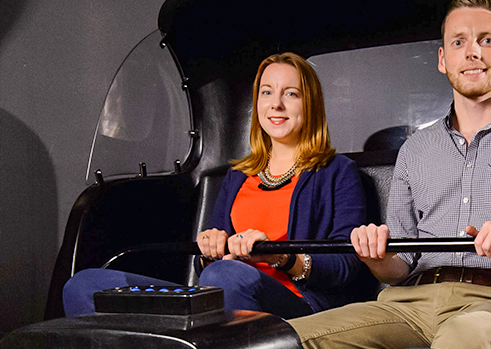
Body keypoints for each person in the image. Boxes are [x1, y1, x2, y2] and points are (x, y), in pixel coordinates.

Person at [289, 0, 491, 349]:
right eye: (458, 42)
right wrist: (376, 258)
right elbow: (400, 268)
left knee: (457, 348)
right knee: (284, 345)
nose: (471, 52)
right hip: (408, 302)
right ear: (443, 60)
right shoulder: (415, 149)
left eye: (485, 40)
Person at [62, 52, 369, 318]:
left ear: (310, 103)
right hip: (218, 295)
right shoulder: (238, 175)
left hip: (296, 305)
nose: (276, 104)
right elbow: (210, 262)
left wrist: (278, 256)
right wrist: (210, 246)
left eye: (291, 93)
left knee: (228, 275)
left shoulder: (337, 171)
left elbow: (346, 264)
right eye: (266, 92)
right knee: (84, 285)